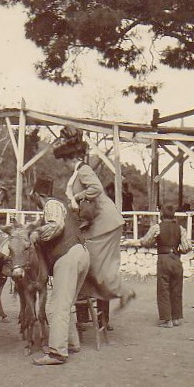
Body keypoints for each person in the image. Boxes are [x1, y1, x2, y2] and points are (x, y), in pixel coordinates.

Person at [53, 125, 136, 311]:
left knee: (91, 263)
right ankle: (102, 301)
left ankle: (120, 293)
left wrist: (77, 197)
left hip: (106, 223)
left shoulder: (83, 170)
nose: (64, 165)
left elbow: (96, 188)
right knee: (90, 262)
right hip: (99, 224)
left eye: (65, 161)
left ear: (72, 159)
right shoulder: (77, 173)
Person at [28, 176, 90, 366]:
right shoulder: (60, 205)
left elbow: (56, 225)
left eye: (33, 196)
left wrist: (37, 233)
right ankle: (72, 343)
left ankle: (57, 353)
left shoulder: (51, 204)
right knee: (67, 303)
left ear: (38, 195)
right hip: (80, 253)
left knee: (57, 305)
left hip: (68, 256)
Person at [124, 204, 192, 327]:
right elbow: (187, 247)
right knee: (176, 289)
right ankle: (176, 318)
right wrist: (177, 251)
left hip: (163, 259)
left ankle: (167, 320)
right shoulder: (180, 229)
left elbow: (146, 242)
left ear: (161, 214)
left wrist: (132, 242)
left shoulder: (157, 228)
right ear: (173, 215)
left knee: (163, 289)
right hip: (176, 260)